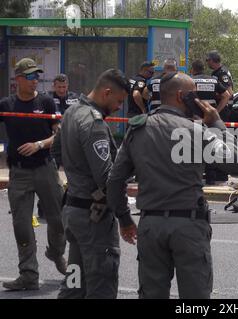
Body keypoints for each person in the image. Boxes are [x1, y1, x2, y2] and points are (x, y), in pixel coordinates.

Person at [107, 72, 238, 299]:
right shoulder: (196, 131)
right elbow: (235, 163)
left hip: (150, 225)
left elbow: (114, 180)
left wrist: (124, 218)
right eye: (194, 95)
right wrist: (217, 124)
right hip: (188, 225)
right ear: (181, 96)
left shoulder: (138, 129)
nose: (198, 100)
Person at [53, 69, 136, 299]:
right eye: (119, 101)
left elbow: (56, 151)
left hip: (73, 215)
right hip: (94, 221)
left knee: (74, 283)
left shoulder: (70, 112)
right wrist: (125, 218)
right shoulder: (94, 123)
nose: (120, 107)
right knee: (101, 287)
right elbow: (107, 179)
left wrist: (77, 172)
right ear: (106, 92)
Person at [0, 58, 66, 291]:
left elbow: (58, 135)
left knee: (58, 220)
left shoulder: (46, 102)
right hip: (19, 173)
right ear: (17, 79)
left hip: (45, 168)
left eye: (36, 75)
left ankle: (57, 253)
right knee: (22, 225)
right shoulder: (6, 105)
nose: (35, 80)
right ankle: (28, 274)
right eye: (29, 76)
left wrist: (39, 144)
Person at [37, 74, 79, 219]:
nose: (62, 89)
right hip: (53, 143)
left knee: (74, 177)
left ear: (68, 86)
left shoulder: (75, 98)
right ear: (53, 86)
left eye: (64, 86)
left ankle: (69, 208)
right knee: (50, 178)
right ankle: (43, 209)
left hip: (71, 142)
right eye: (59, 87)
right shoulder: (46, 99)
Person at [190, 59, 232, 185]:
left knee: (196, 146)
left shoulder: (191, 81)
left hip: (197, 118)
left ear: (193, 69)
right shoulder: (213, 80)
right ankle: (211, 177)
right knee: (211, 146)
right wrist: (216, 111)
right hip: (211, 120)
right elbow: (227, 95)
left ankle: (196, 177)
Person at [206, 50, 234, 122]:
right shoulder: (216, 72)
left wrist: (216, 112)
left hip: (223, 108)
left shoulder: (222, 73)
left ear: (212, 60)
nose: (207, 62)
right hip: (221, 107)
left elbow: (229, 93)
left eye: (207, 60)